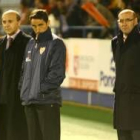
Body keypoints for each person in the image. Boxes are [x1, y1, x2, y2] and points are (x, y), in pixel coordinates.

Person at [20, 9, 66, 140]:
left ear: (48, 23)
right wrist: (23, 89)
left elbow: (57, 74)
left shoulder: (56, 43)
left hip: (47, 101)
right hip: (29, 101)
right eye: (34, 26)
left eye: (40, 25)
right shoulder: (30, 43)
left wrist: (40, 90)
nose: (37, 29)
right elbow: (24, 70)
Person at [0, 10, 31, 140]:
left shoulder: (28, 42)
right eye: (4, 22)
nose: (6, 25)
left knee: (17, 132)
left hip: (19, 98)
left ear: (19, 22)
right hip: (2, 97)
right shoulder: (1, 44)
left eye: (10, 21)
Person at [111, 9, 140, 140]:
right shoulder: (115, 42)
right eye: (121, 21)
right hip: (122, 99)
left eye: (128, 20)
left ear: (135, 21)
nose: (124, 23)